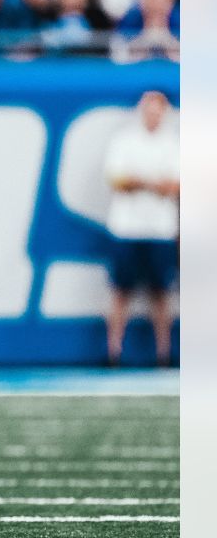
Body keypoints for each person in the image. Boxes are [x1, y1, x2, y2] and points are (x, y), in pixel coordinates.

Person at [102, 90, 178, 367]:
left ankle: (164, 354)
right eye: (149, 109)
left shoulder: (173, 142)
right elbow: (118, 180)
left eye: (158, 110)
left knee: (161, 293)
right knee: (120, 292)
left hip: (160, 229)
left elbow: (175, 186)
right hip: (127, 227)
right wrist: (153, 183)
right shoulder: (124, 139)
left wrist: (141, 181)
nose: (153, 115)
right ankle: (113, 352)